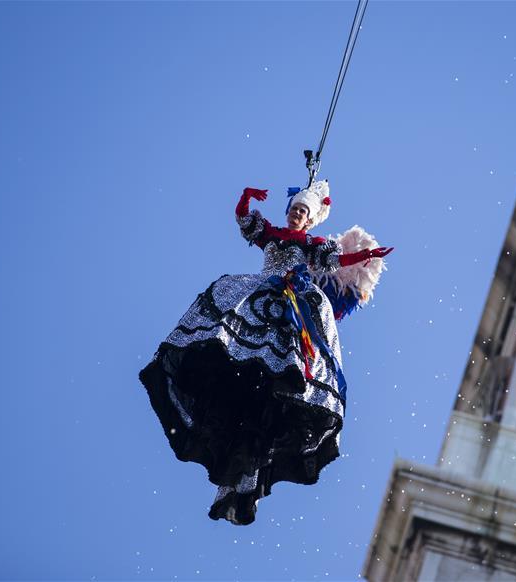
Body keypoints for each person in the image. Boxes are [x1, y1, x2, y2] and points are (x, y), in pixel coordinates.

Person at [138, 181, 392, 525]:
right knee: (238, 324)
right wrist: (246, 196)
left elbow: (339, 259)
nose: (297, 214)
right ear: (288, 214)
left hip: (291, 304)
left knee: (288, 348)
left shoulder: (312, 245)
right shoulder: (272, 234)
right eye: (293, 210)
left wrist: (366, 256)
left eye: (302, 211)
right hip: (262, 296)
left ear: (310, 219)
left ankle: (283, 382)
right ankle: (242, 362)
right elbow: (244, 219)